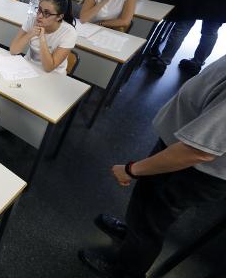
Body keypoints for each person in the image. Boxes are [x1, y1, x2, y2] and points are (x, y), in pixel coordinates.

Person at [78, 54, 226, 278]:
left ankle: (126, 270)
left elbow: (198, 151)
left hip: (193, 169)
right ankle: (131, 237)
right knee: (144, 205)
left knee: (151, 220)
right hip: (179, 146)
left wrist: (131, 169)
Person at [10, 0, 77, 74]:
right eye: (39, 10)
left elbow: (49, 68)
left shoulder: (69, 32)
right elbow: (13, 50)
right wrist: (30, 34)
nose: (39, 16)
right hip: (29, 67)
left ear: (59, 17)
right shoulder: (32, 20)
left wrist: (42, 39)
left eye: (46, 13)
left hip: (54, 74)